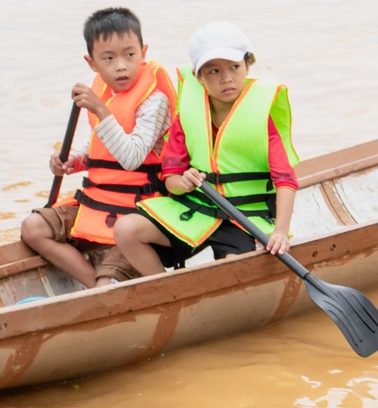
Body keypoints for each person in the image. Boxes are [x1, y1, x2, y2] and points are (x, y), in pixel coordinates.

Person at [113, 21, 298, 274]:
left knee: (233, 269)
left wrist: (280, 232)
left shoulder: (261, 116)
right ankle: (169, 292)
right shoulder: (188, 116)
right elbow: (171, 180)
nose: (227, 78)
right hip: (196, 210)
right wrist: (184, 182)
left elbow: (285, 180)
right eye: (213, 71)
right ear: (198, 76)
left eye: (234, 67)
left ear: (247, 65)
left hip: (243, 218)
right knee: (126, 230)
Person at [20, 6, 179, 287]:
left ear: (143, 52)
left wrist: (100, 110)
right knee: (33, 229)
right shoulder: (104, 91)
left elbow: (131, 157)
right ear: (92, 63)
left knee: (110, 284)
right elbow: (96, 142)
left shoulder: (154, 98)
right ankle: (93, 286)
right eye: (108, 58)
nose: (121, 65)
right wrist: (73, 160)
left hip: (139, 212)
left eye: (130, 55)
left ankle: (104, 288)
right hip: (97, 201)